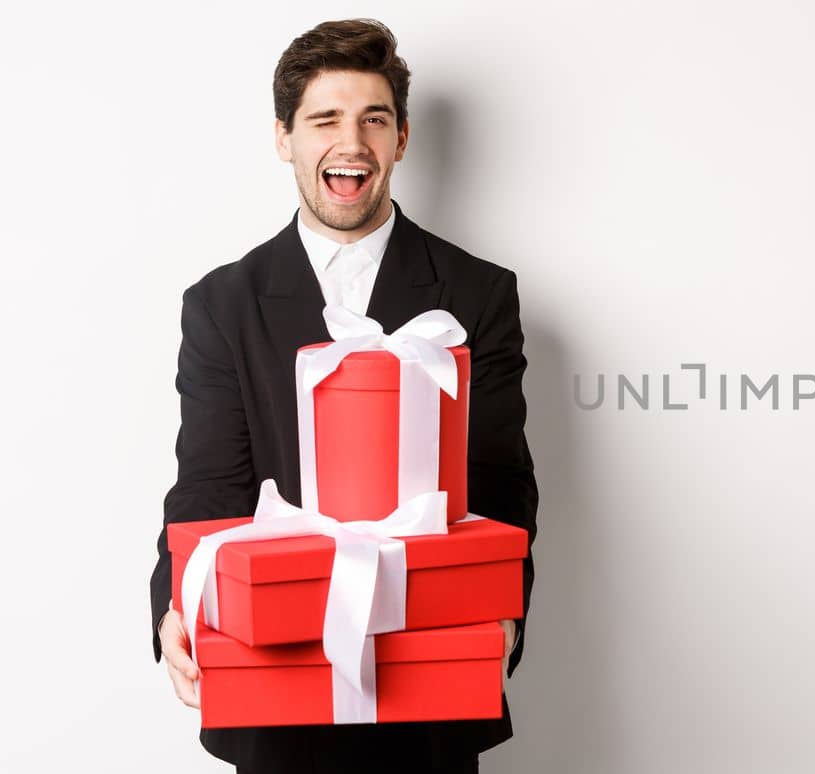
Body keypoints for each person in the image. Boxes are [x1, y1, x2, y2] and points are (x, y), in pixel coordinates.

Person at [146, 19, 538, 773]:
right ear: (284, 138)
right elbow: (209, 482)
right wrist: (174, 605)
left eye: (374, 120)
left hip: (429, 685)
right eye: (324, 120)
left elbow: (498, 479)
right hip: (276, 680)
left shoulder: (479, 293)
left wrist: (504, 614)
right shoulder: (222, 304)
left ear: (402, 140)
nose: (350, 142)